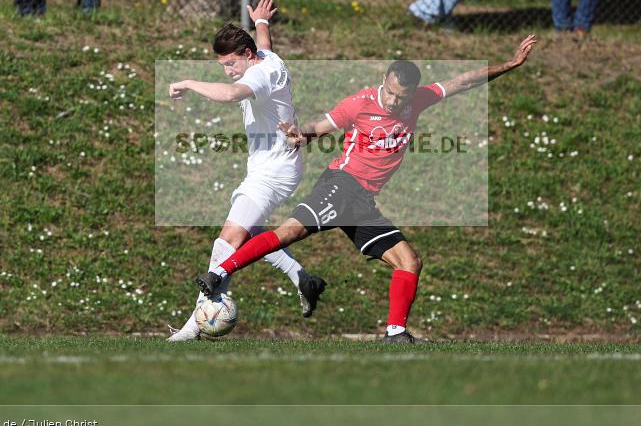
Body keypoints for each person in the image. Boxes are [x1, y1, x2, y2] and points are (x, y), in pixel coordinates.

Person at [195, 34, 537, 343]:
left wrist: (511, 63)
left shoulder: (418, 100)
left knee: (409, 261)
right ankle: (219, 272)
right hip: (341, 185)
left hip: (362, 202)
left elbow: (464, 81)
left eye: (399, 96)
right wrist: (302, 135)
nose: (391, 101)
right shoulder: (360, 102)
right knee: (289, 233)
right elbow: (322, 125)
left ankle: (395, 333)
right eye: (388, 91)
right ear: (382, 82)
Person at [166, 0, 327, 341]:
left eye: (230, 63)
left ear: (245, 54)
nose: (227, 70)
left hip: (273, 171)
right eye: (222, 65)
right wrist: (261, 22)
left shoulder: (262, 73)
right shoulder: (263, 57)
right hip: (272, 166)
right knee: (250, 233)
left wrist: (189, 83)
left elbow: (229, 94)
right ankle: (302, 278)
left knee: (226, 241)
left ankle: (195, 325)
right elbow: (264, 44)